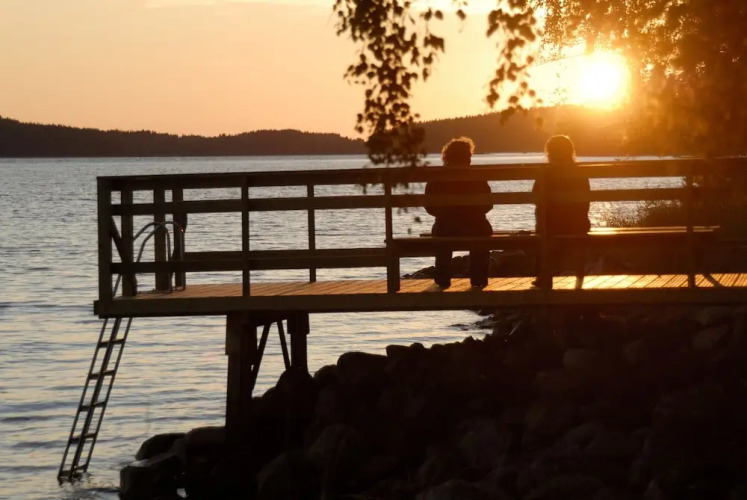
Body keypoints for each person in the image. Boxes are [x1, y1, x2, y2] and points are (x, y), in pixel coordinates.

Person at [425, 137, 493, 288]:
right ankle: (479, 279)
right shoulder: (477, 176)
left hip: (445, 228)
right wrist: (472, 215)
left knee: (441, 236)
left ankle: (442, 278)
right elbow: (488, 204)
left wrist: (444, 215)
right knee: (482, 234)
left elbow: (429, 206)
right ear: (468, 157)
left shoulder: (437, 176)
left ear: (447, 156)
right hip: (476, 228)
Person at [532, 135, 590, 287]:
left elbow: (535, 198)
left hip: (550, 226)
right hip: (578, 225)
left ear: (549, 152)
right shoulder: (580, 172)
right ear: (571, 152)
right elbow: (585, 203)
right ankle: (580, 273)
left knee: (543, 225)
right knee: (546, 222)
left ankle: (543, 275)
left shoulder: (545, 173)